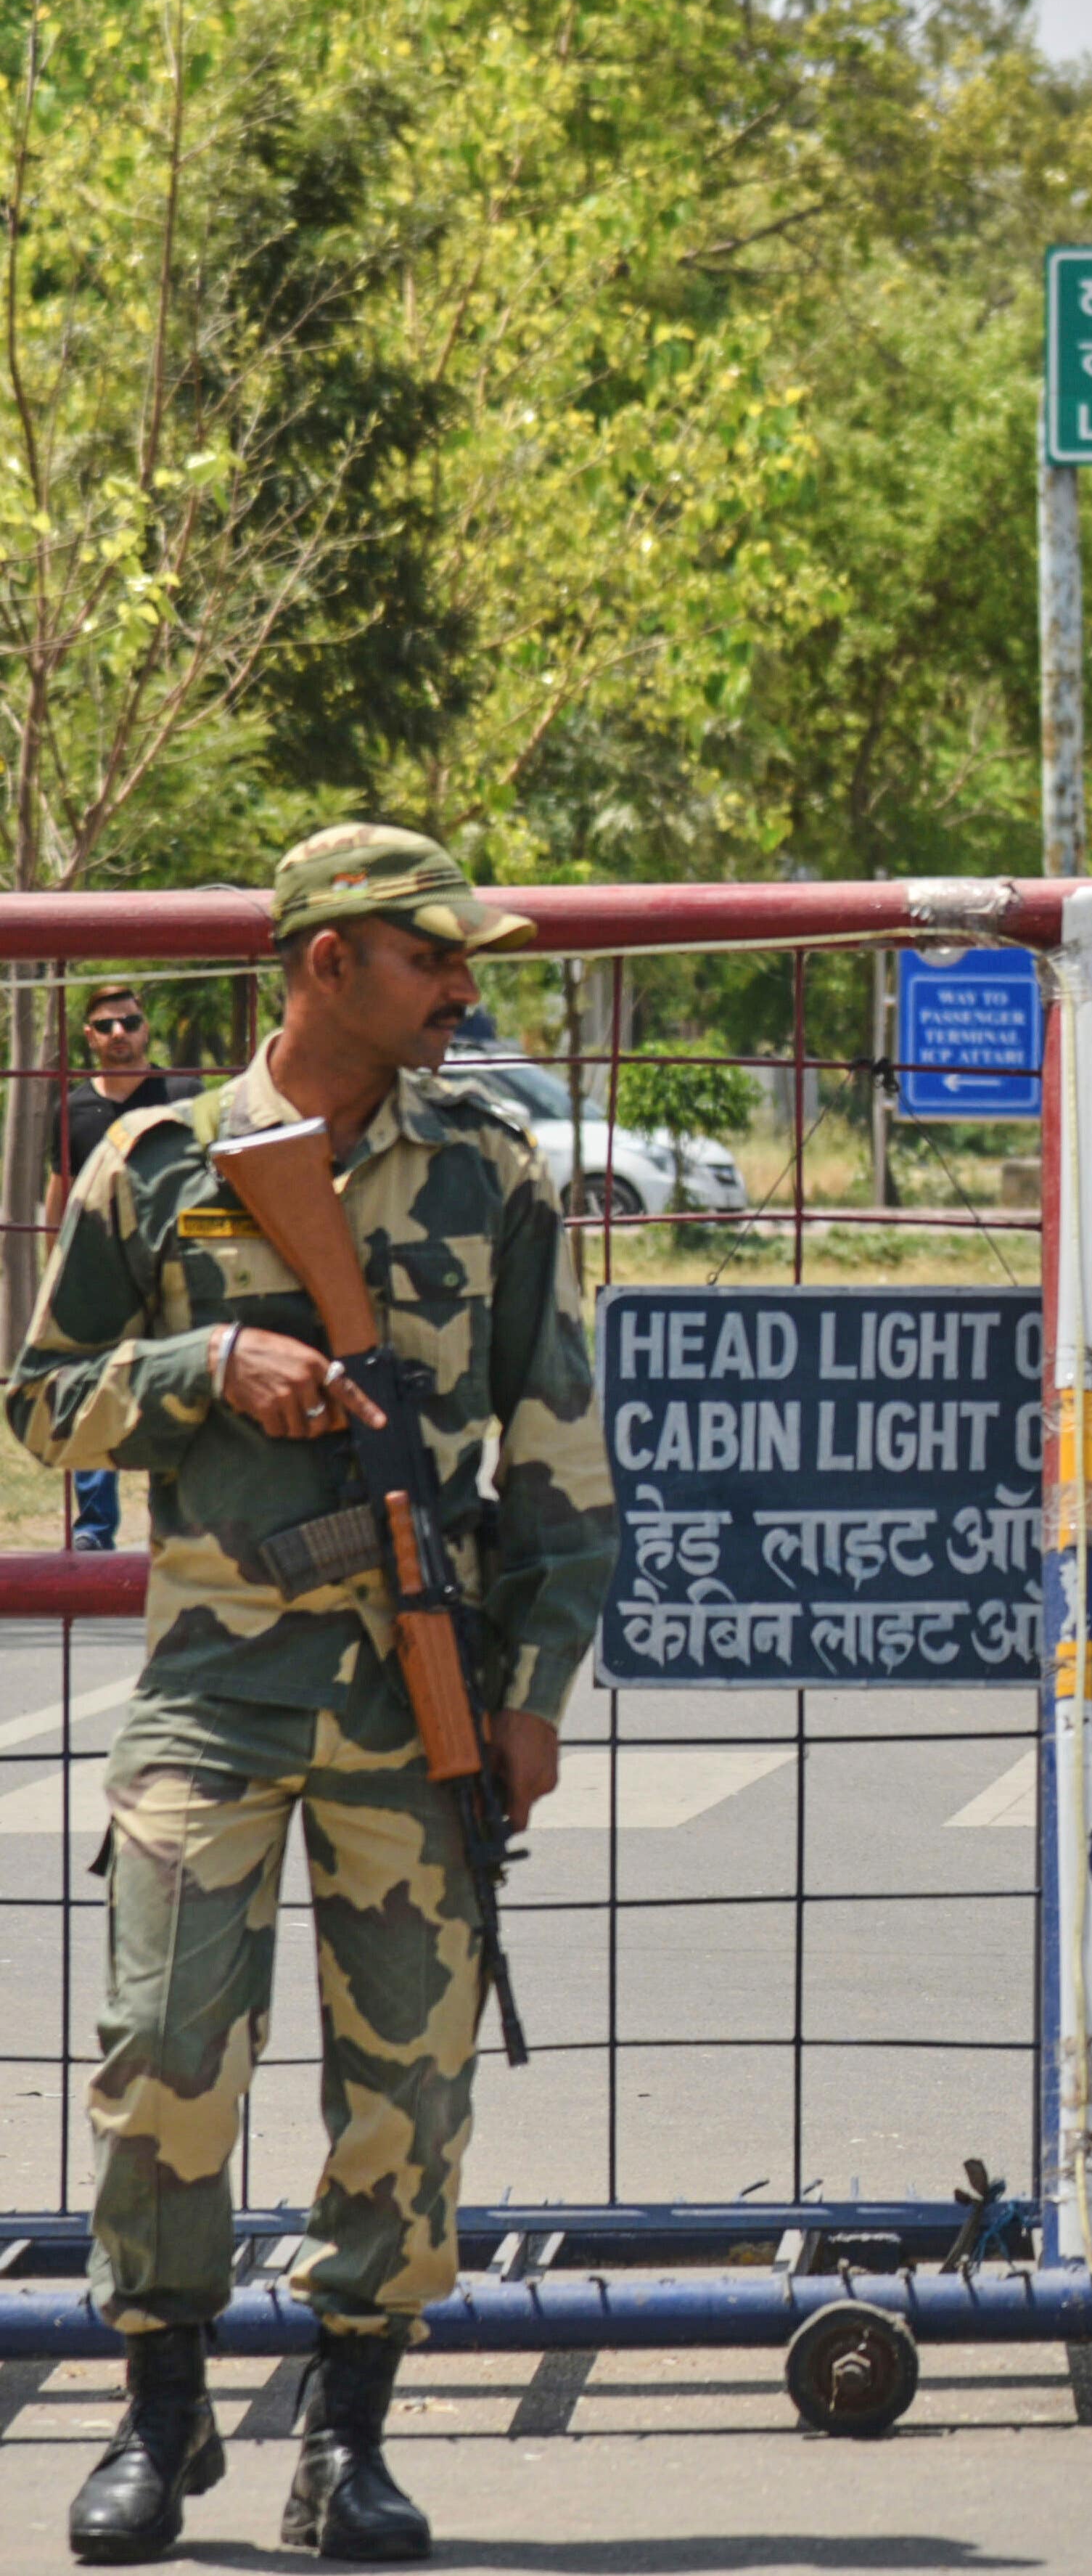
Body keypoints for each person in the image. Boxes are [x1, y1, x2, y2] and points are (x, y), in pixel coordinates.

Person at [13, 825, 614, 2564]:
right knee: (163, 2051)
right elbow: (41, 1405)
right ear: (326, 962)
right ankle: (161, 2416)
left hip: (418, 1699)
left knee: (408, 2080)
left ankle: (349, 2435)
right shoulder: (157, 1167)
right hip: (214, 1691)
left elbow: (560, 1457)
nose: (464, 991)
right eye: (432, 959)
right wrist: (210, 1365)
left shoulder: (488, 1177)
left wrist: (534, 1691)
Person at [47, 985, 195, 1551]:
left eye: (130, 1022)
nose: (119, 1034)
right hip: (99, 1274)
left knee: (177, 1389)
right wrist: (56, 1271)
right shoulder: (74, 1108)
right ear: (89, 1035)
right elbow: (61, 1191)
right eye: (106, 1025)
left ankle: (175, 1518)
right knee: (93, 1394)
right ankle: (93, 1528)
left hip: (175, 1268)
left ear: (145, 1028)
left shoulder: (181, 1093)